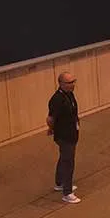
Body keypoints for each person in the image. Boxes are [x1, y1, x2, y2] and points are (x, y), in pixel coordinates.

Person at [47, 72, 81, 204]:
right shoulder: (57, 99)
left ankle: (59, 182)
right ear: (61, 84)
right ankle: (67, 193)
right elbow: (50, 118)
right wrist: (51, 129)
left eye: (74, 81)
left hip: (72, 132)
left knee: (63, 158)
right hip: (64, 135)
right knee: (68, 162)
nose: (73, 85)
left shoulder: (69, 94)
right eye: (69, 82)